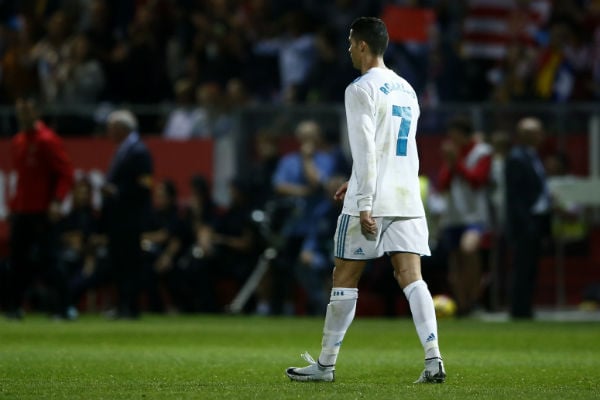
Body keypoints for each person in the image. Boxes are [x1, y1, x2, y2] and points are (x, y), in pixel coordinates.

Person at [285, 17, 445, 384]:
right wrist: (354, 179)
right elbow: (395, 150)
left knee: (344, 275)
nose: (348, 50)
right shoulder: (407, 89)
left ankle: (325, 365)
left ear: (360, 45)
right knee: (412, 277)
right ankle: (434, 358)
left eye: (349, 43)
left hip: (370, 198)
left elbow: (368, 150)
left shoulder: (359, 89)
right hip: (406, 196)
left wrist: (365, 198)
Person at [6, 97, 75, 320]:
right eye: (19, 111)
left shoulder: (47, 140)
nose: (22, 116)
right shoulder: (18, 141)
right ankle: (14, 307)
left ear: (36, 112)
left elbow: (66, 173)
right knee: (17, 261)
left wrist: (56, 201)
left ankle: (65, 308)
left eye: (26, 111)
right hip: (22, 210)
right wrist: (14, 205)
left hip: (43, 211)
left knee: (51, 260)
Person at [100, 109, 154, 319]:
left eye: (111, 128)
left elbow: (144, 186)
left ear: (121, 128)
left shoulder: (139, 151)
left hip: (130, 218)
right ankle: (123, 304)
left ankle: (131, 306)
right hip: (119, 218)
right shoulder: (124, 149)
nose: (108, 133)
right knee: (119, 263)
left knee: (130, 262)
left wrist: (117, 192)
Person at [437, 117, 493, 315]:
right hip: (452, 216)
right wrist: (451, 163)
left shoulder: (482, 152)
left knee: (468, 250)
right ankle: (463, 305)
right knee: (456, 264)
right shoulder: (452, 154)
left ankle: (475, 298)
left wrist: (456, 162)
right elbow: (442, 184)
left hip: (474, 216)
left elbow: (477, 180)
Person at [505, 117, 551, 319]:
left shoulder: (533, 157)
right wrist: (526, 223)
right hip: (525, 224)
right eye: (537, 132)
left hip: (536, 221)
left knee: (530, 267)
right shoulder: (517, 157)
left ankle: (526, 308)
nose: (542, 136)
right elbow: (515, 198)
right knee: (523, 268)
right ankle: (519, 310)